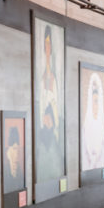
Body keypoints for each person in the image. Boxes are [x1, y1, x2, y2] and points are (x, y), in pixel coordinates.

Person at [37, 24, 63, 181]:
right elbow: (42, 101)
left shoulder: (54, 77)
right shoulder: (42, 77)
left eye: (49, 44)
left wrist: (52, 118)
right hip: (44, 134)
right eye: (45, 44)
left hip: (52, 133)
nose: (47, 48)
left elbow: (55, 102)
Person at [81, 73, 104, 170]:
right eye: (94, 102)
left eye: (97, 102)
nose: (96, 105)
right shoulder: (85, 127)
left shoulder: (103, 127)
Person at [4, 125, 24, 191]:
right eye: (14, 149)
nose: (16, 155)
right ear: (8, 153)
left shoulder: (20, 173)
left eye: (18, 150)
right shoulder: (4, 172)